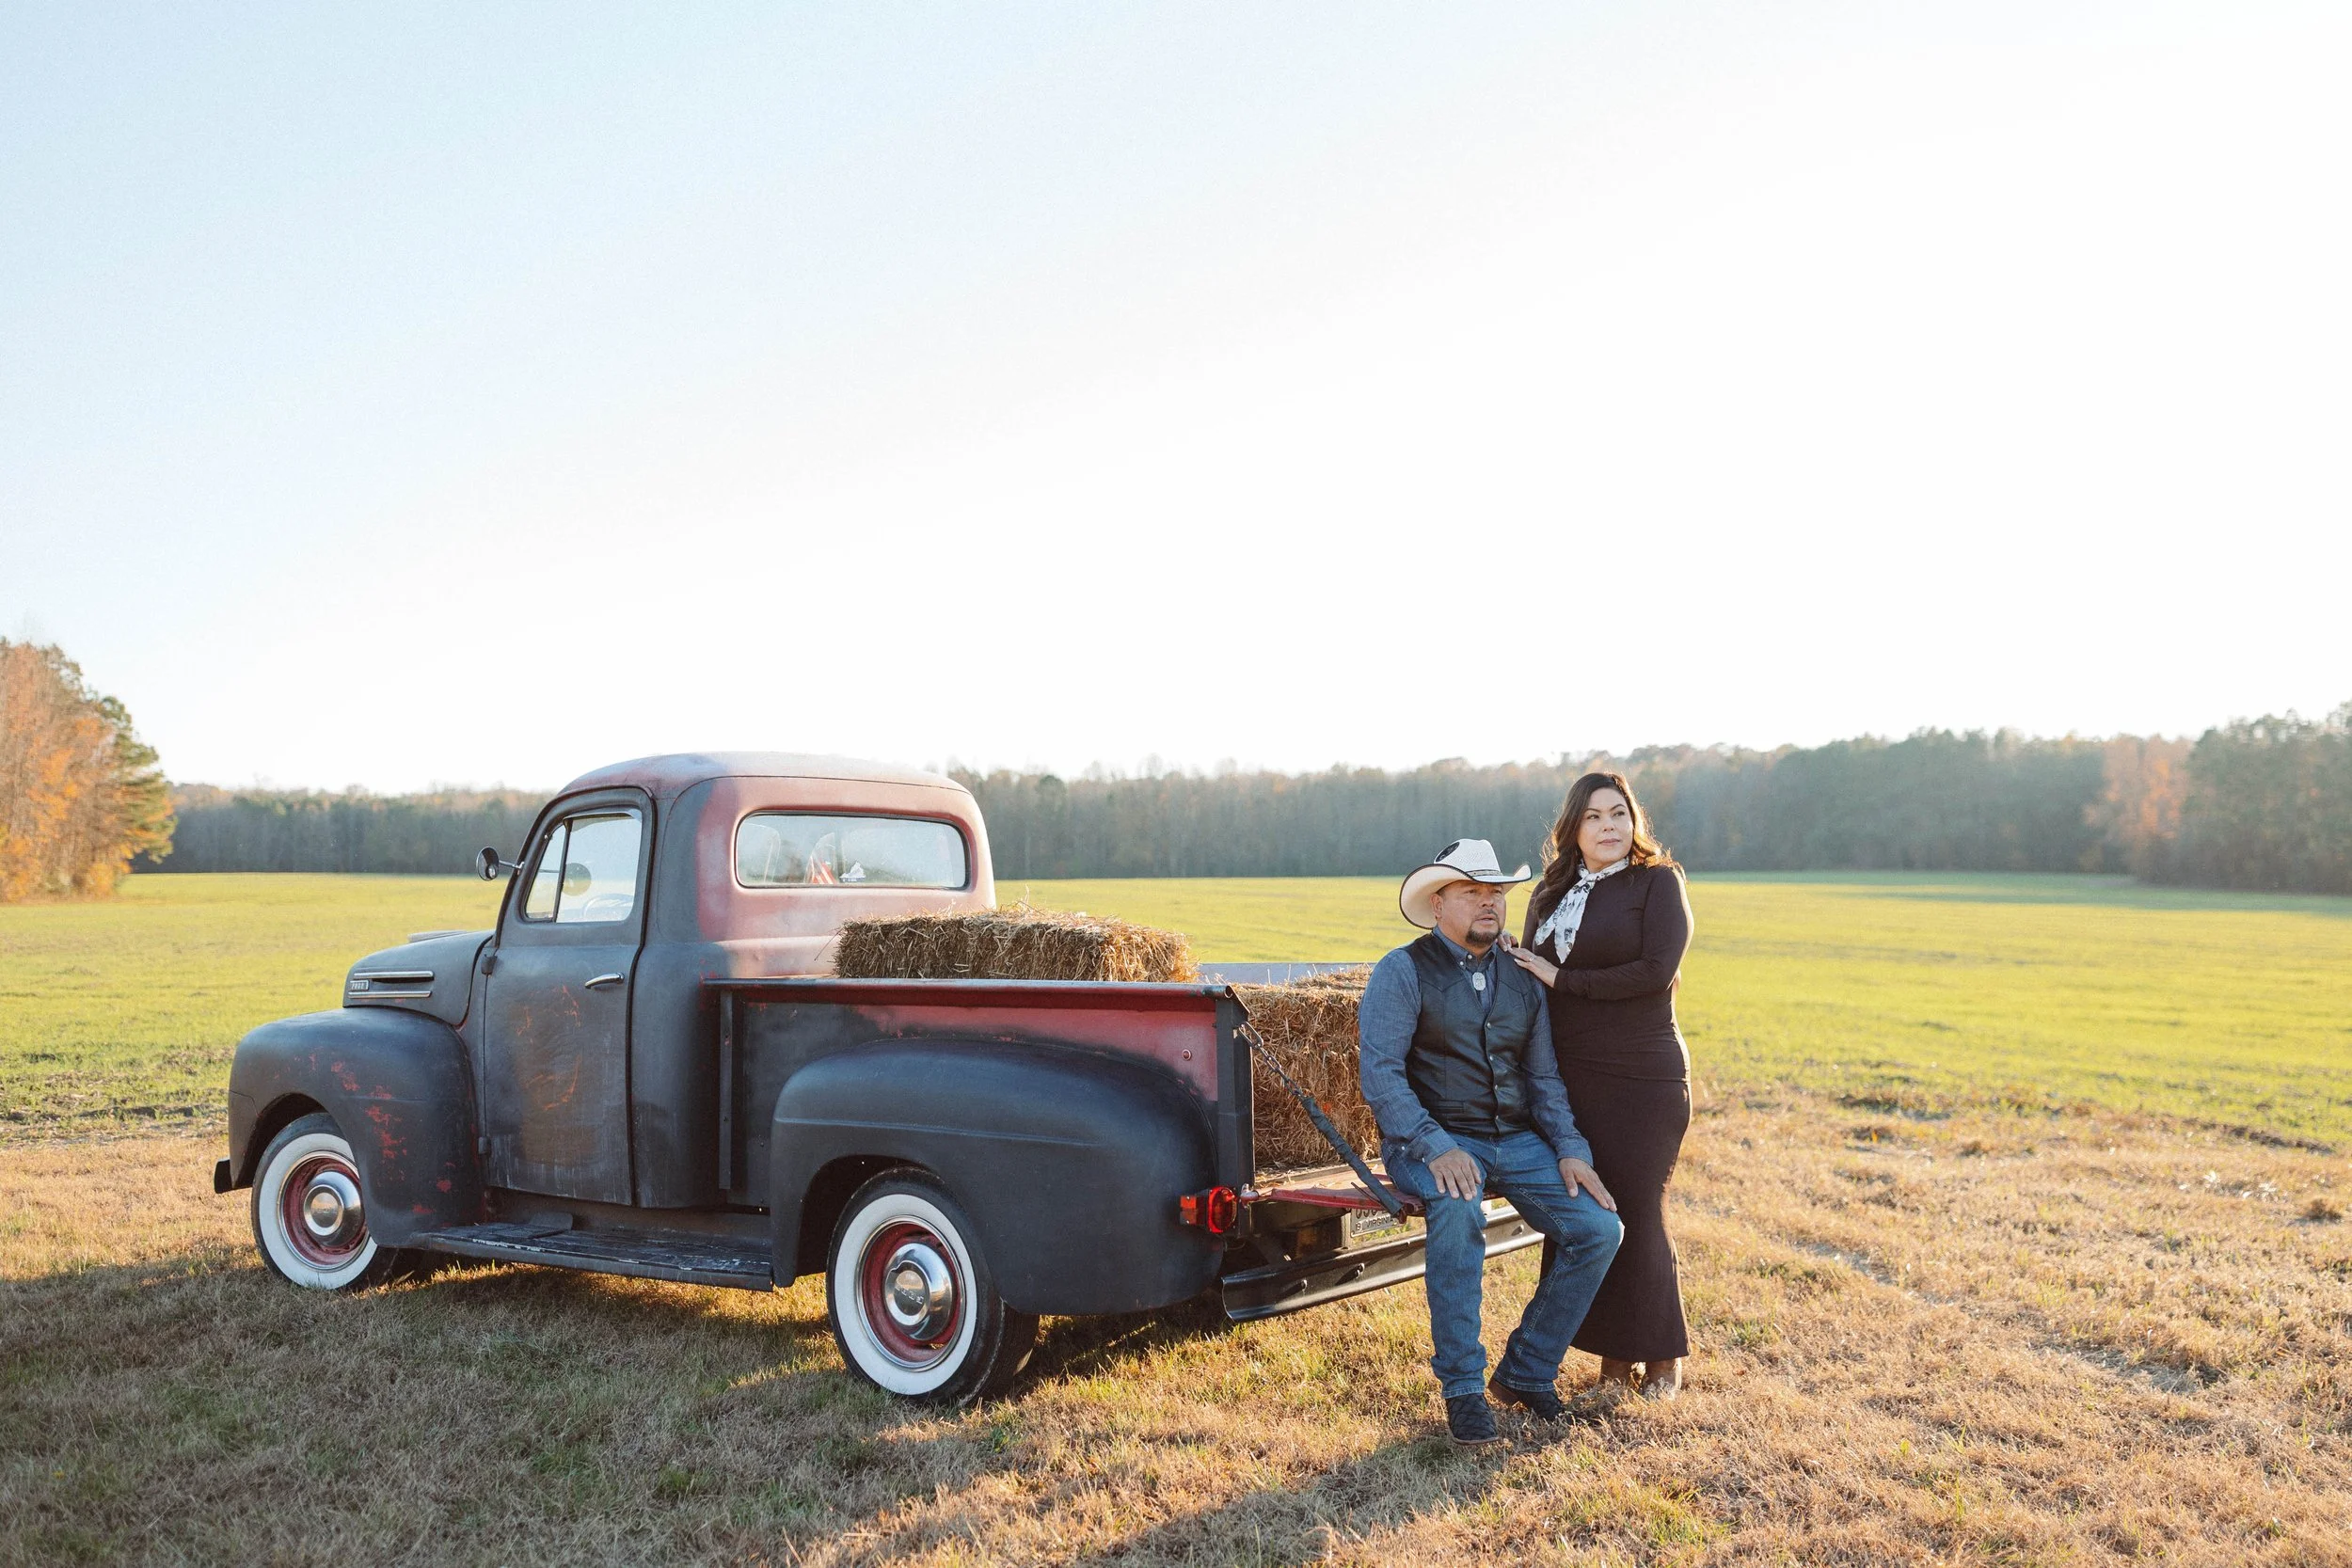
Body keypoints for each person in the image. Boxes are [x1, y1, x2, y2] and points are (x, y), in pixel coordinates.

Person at [1359, 838, 1625, 1446]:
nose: (1489, 902)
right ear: (1437, 904)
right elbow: (1381, 1073)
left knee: (1599, 1228)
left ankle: (1526, 1372)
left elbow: (1543, 1077)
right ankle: (1462, 1389)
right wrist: (1432, 1143)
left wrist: (1570, 1147)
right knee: (1457, 1206)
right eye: (1472, 892)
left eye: (1496, 892)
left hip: (1517, 1139)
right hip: (1432, 1140)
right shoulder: (1401, 970)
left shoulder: (1521, 976)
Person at [1504, 772, 1694, 1403]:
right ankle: (1610, 1360)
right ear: (1573, 829)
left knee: (1635, 1211)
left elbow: (1653, 971)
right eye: (1594, 816)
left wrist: (1562, 980)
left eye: (1619, 813)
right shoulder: (1550, 892)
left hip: (1643, 1075)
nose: (1609, 825)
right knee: (1588, 1214)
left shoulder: (1658, 883)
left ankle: (1661, 1357)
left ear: (1635, 821)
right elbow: (1533, 977)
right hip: (1570, 1079)